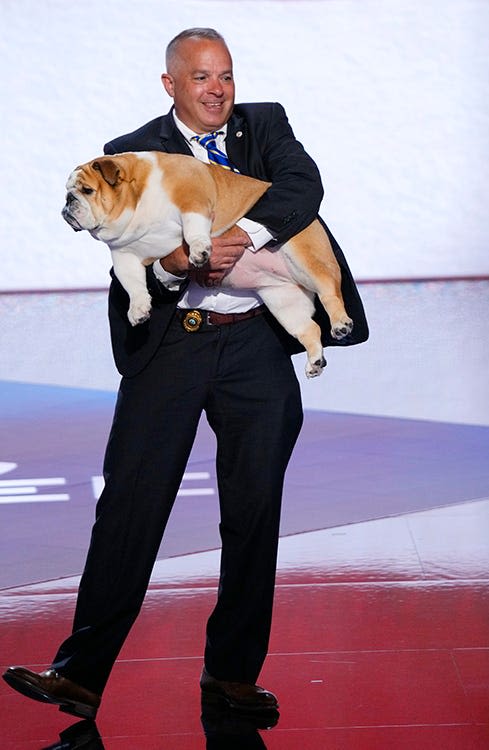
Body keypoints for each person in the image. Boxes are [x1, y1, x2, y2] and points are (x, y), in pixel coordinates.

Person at [3, 28, 368, 720]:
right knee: (131, 509)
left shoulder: (267, 123)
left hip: (255, 345)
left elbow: (302, 186)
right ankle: (79, 673)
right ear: (171, 84)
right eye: (201, 77)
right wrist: (174, 266)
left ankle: (230, 677)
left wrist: (248, 235)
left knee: (254, 513)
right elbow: (126, 244)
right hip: (175, 342)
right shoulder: (127, 153)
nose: (217, 90)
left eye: (226, 75)